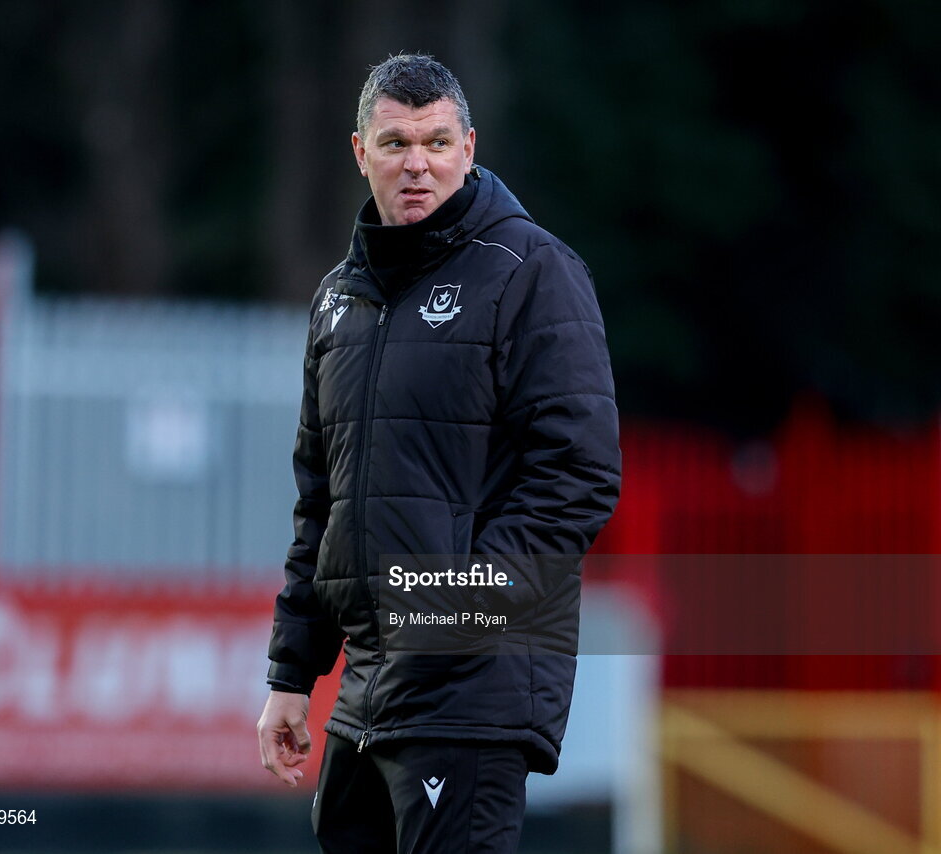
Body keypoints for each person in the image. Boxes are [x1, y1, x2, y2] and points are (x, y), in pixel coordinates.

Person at [257, 53, 621, 853]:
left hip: (473, 682)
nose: (416, 162)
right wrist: (292, 673)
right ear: (360, 153)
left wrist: (448, 610)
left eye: (436, 141)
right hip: (366, 687)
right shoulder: (336, 300)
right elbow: (321, 501)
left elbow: (580, 477)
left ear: (469, 147)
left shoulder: (534, 273)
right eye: (394, 142)